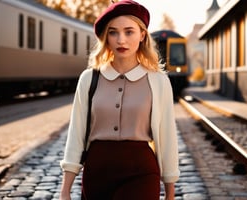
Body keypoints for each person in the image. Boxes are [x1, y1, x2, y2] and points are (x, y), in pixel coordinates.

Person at [59, 0, 180, 199]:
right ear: (106, 37)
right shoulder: (89, 79)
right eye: (113, 32)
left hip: (141, 173)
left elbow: (167, 137)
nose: (120, 40)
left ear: (142, 35)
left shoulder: (158, 81)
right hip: (97, 174)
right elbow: (76, 134)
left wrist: (170, 191)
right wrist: (65, 190)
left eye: (129, 31)